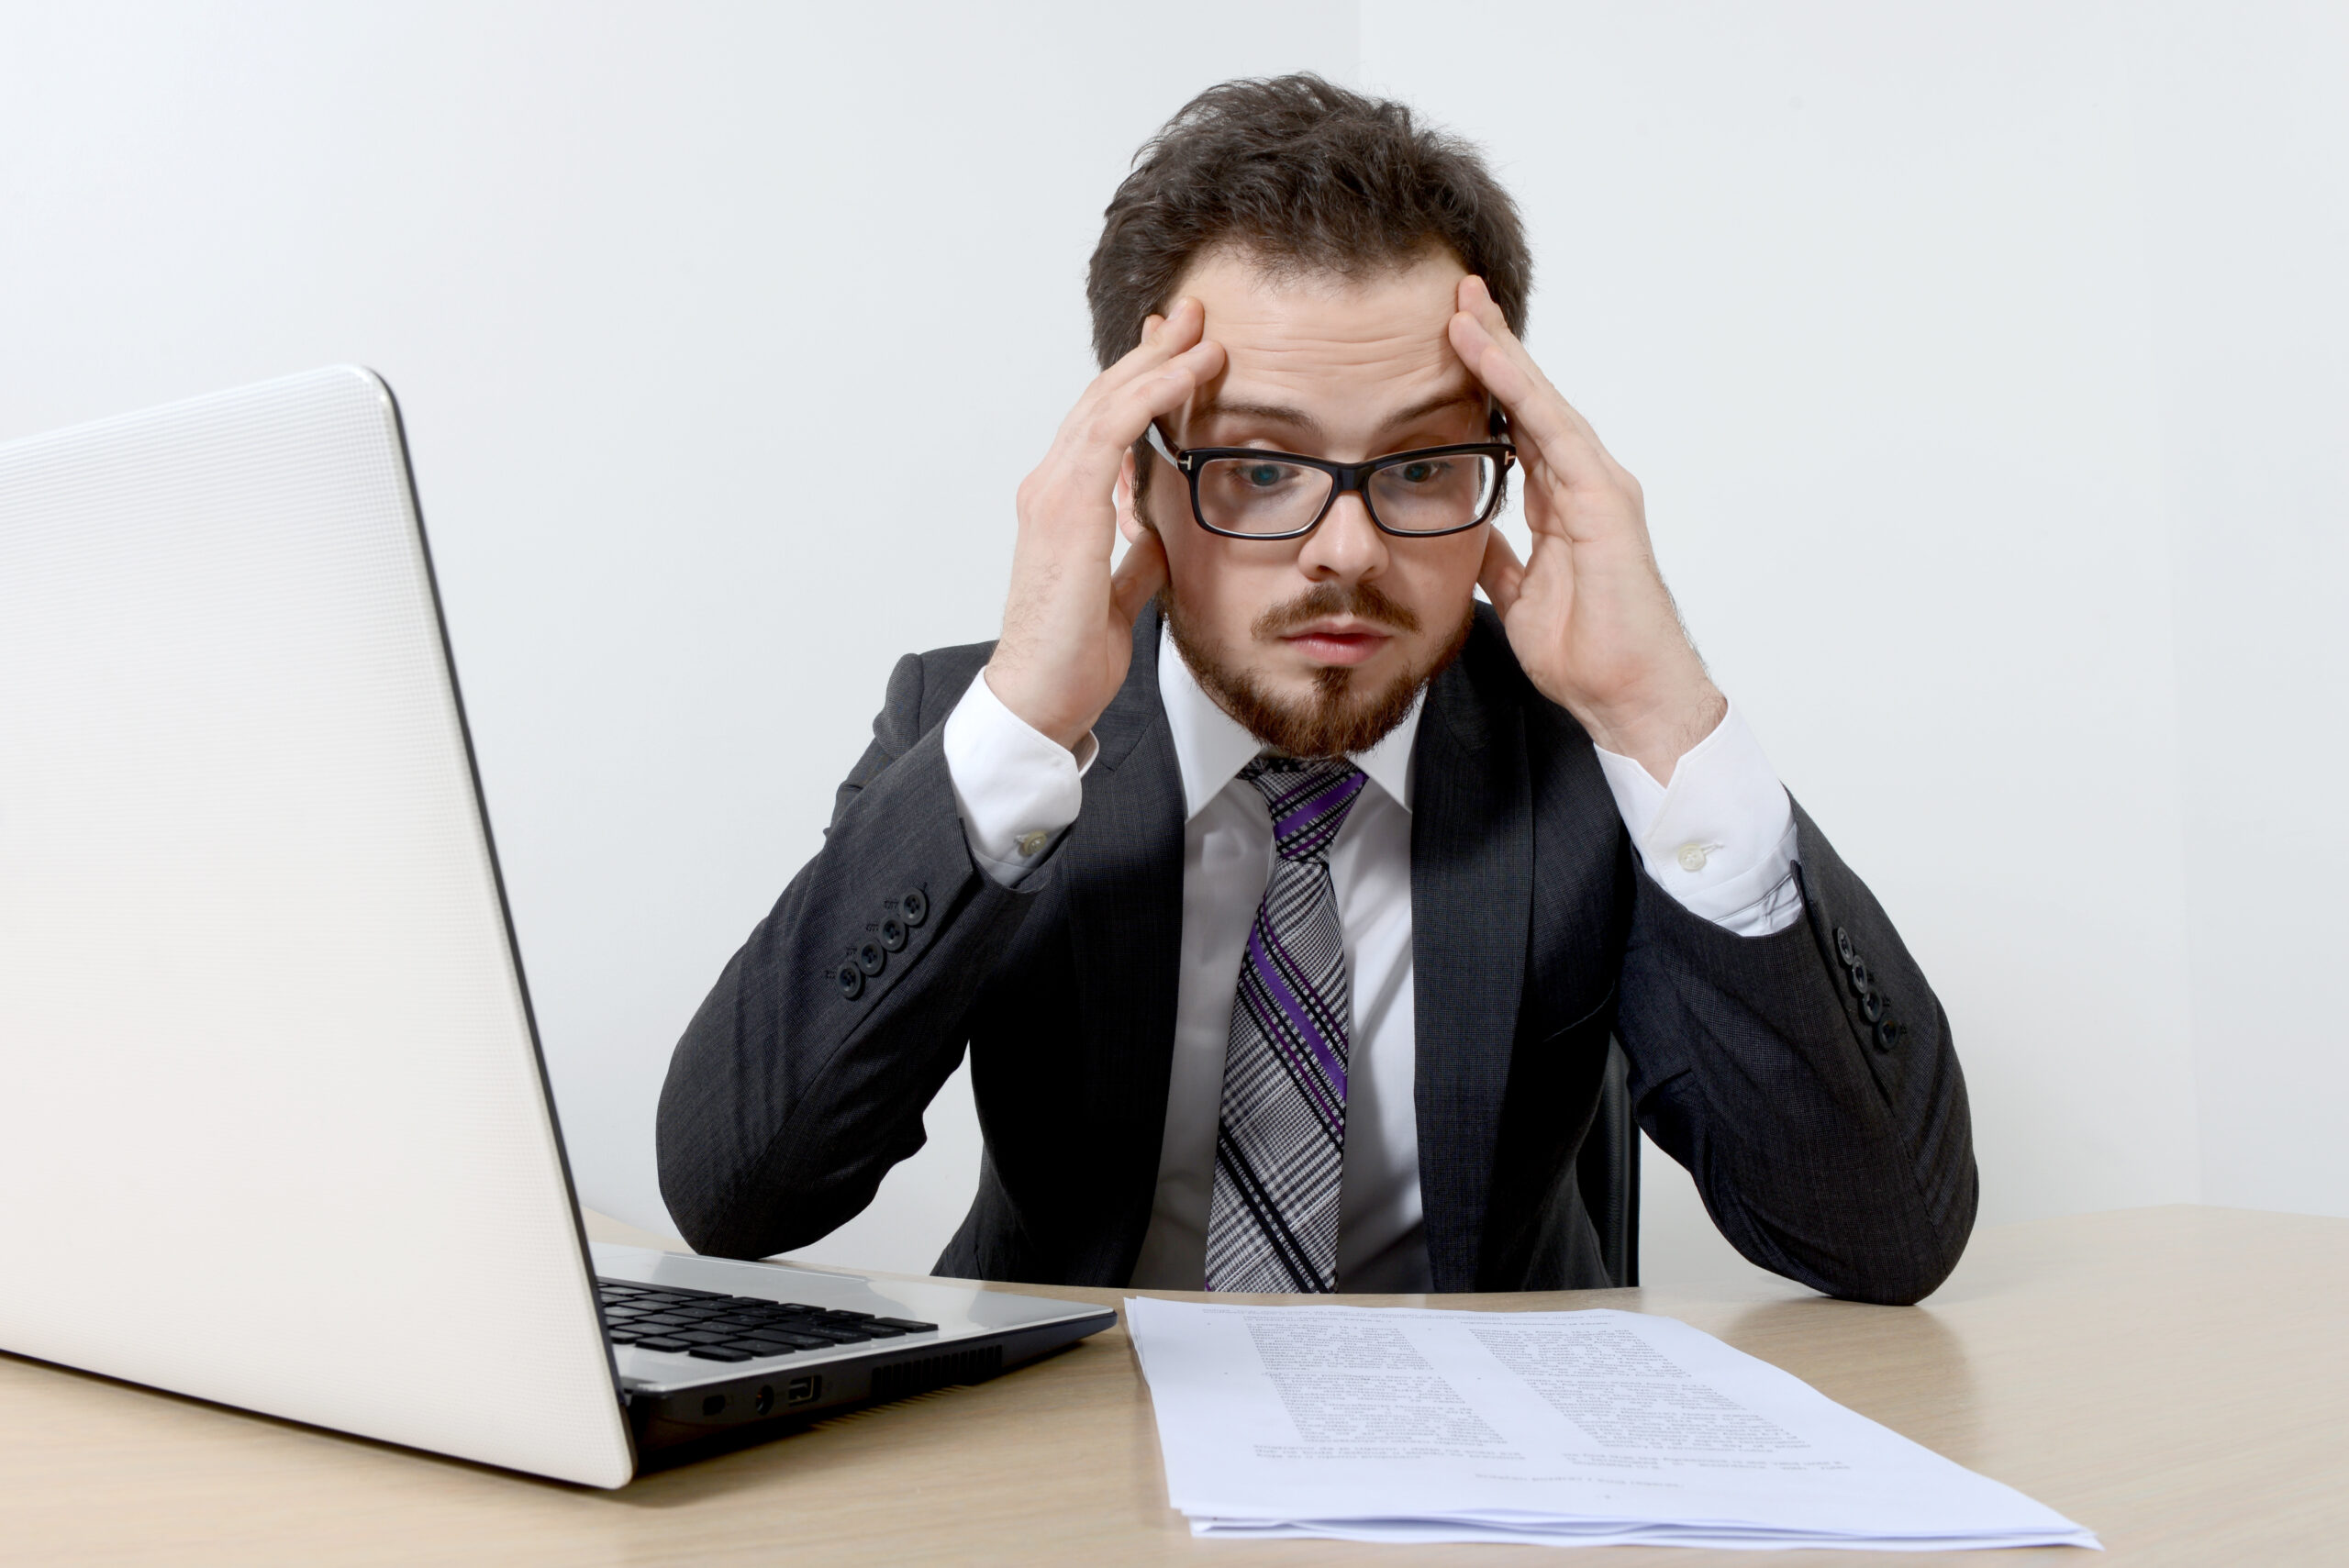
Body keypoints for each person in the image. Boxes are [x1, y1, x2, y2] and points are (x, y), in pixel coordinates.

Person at [657, 75, 1975, 1304]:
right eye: (1261, 469)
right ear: (1135, 474)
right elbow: (737, 1193)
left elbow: (1884, 1234)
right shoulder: (989, 737)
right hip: (1063, 1465)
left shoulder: (1582, 754)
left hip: (1482, 1486)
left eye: (1418, 467)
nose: (1346, 549)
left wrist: (1659, 714)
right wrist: (1018, 728)